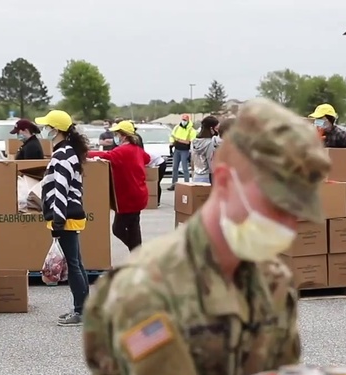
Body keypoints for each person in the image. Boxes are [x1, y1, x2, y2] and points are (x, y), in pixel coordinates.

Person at [82, 98, 332, 375]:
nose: (287, 223)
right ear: (224, 181)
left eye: (296, 210)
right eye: (276, 204)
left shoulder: (274, 280)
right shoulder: (141, 290)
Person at [35, 110, 90, 327]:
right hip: (69, 214)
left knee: (74, 265)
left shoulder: (62, 155)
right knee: (77, 263)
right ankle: (83, 308)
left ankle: (80, 311)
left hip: (65, 216)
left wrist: (57, 220)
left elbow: (60, 189)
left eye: (46, 127)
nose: (44, 130)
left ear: (55, 130)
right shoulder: (67, 151)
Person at [88, 121, 150, 251]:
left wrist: (85, 153)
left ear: (124, 136)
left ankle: (138, 253)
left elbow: (105, 155)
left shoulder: (122, 151)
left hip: (127, 197)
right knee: (134, 227)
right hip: (138, 194)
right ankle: (137, 254)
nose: (116, 137)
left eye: (117, 134)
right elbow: (147, 158)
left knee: (118, 229)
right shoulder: (137, 150)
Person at [167, 113, 196, 191]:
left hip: (185, 150)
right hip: (177, 149)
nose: (183, 121)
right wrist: (172, 142)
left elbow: (190, 141)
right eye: (183, 119)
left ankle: (187, 184)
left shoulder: (191, 130)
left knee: (185, 168)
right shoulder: (177, 127)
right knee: (175, 167)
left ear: (188, 120)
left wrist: (179, 140)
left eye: (185, 120)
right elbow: (172, 136)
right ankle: (173, 184)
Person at [191, 115, 219, 183]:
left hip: (196, 175)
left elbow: (192, 160)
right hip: (207, 177)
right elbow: (210, 161)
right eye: (216, 128)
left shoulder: (194, 141)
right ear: (211, 129)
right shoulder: (210, 143)